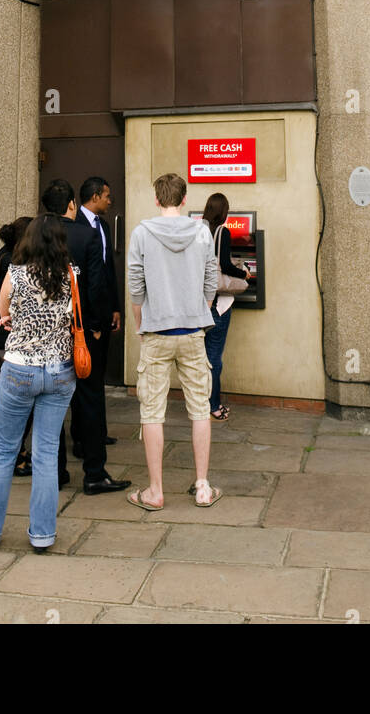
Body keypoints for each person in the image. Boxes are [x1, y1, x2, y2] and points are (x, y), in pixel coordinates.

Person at [0, 214, 77, 551]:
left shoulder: (15, 273)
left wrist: (10, 318)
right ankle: (43, 535)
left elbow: (3, 312)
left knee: (3, 451)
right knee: (46, 454)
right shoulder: (71, 275)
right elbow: (75, 315)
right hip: (59, 371)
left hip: (19, 370)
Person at [126, 172, 219, 511]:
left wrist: (140, 320)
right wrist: (203, 307)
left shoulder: (141, 233)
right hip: (193, 332)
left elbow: (135, 283)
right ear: (184, 199)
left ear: (156, 199)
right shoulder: (202, 231)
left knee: (152, 412)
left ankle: (155, 491)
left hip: (156, 332)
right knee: (200, 409)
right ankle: (204, 487)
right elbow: (212, 276)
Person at [42, 179, 129, 495]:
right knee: (90, 398)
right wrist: (95, 324)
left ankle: (56, 472)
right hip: (81, 332)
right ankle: (94, 473)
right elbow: (95, 285)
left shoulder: (34, 236)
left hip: (47, 334)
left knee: (51, 403)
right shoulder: (86, 234)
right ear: (70, 205)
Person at [70, 176, 121, 466]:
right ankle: (81, 437)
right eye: (106, 196)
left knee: (96, 375)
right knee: (82, 379)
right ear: (94, 196)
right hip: (83, 318)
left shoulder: (103, 225)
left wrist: (114, 307)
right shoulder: (74, 225)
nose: (110, 201)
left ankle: (97, 433)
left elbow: (107, 270)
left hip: (103, 313)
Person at [0, 217, 34, 476]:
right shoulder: (13, 261)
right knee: (17, 403)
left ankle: (17, 451)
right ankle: (17, 455)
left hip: (1, 334)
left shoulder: (3, 255)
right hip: (10, 336)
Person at [202, 193, 248, 422]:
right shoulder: (223, 231)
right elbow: (226, 266)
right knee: (214, 357)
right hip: (218, 304)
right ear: (224, 211)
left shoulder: (199, 231)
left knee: (201, 357)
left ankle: (201, 404)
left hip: (199, 303)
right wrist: (245, 273)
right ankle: (213, 406)